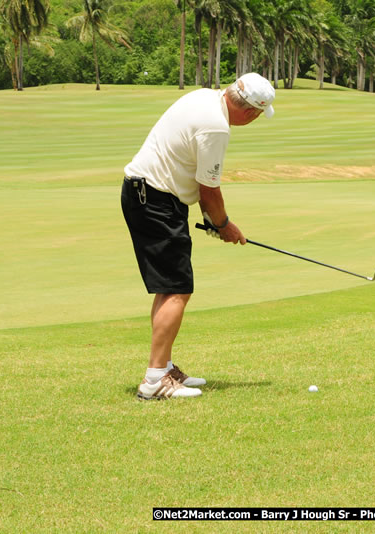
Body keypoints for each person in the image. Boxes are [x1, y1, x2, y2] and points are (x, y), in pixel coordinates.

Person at [121, 72, 275, 400]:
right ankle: (154, 382)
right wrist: (225, 225)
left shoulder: (205, 96)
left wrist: (213, 220)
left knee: (170, 287)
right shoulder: (217, 127)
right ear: (250, 112)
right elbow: (209, 191)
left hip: (152, 194)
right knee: (178, 289)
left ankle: (163, 367)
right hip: (154, 198)